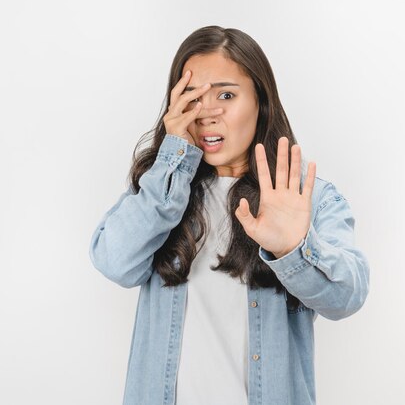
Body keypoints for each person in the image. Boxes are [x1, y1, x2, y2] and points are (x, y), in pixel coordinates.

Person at [88, 25, 370, 405]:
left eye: (226, 94)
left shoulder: (307, 198)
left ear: (261, 102)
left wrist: (293, 249)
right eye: (193, 96)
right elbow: (113, 261)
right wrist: (172, 160)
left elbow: (346, 298)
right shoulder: (163, 189)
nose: (208, 112)